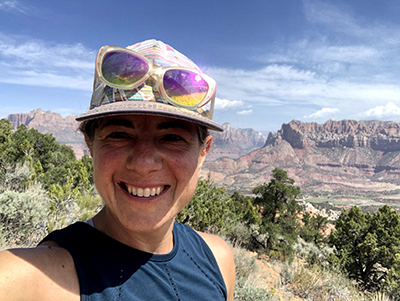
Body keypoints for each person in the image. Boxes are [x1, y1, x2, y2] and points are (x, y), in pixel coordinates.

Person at [0, 39, 235, 300]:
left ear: (204, 151)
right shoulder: (37, 279)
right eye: (120, 134)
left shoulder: (218, 259)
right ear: (90, 143)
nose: (144, 163)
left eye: (172, 138)